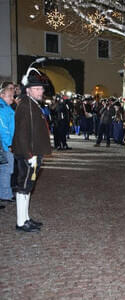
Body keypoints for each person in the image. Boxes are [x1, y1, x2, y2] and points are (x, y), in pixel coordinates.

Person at [12, 69, 52, 232]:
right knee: (23, 187)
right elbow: (22, 133)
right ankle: (21, 222)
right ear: (28, 90)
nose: (40, 91)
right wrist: (30, 155)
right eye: (37, 88)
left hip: (33, 152)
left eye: (41, 88)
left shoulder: (31, 104)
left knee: (28, 187)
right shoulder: (25, 105)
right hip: (28, 153)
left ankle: (26, 218)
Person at [0, 86, 15, 203]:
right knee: (6, 169)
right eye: (9, 96)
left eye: (12, 96)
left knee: (5, 169)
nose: (12, 98)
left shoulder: (6, 108)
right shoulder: (2, 108)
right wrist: (9, 144)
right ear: (2, 96)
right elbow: (3, 128)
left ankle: (5, 193)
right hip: (4, 145)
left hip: (5, 144)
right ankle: (5, 194)